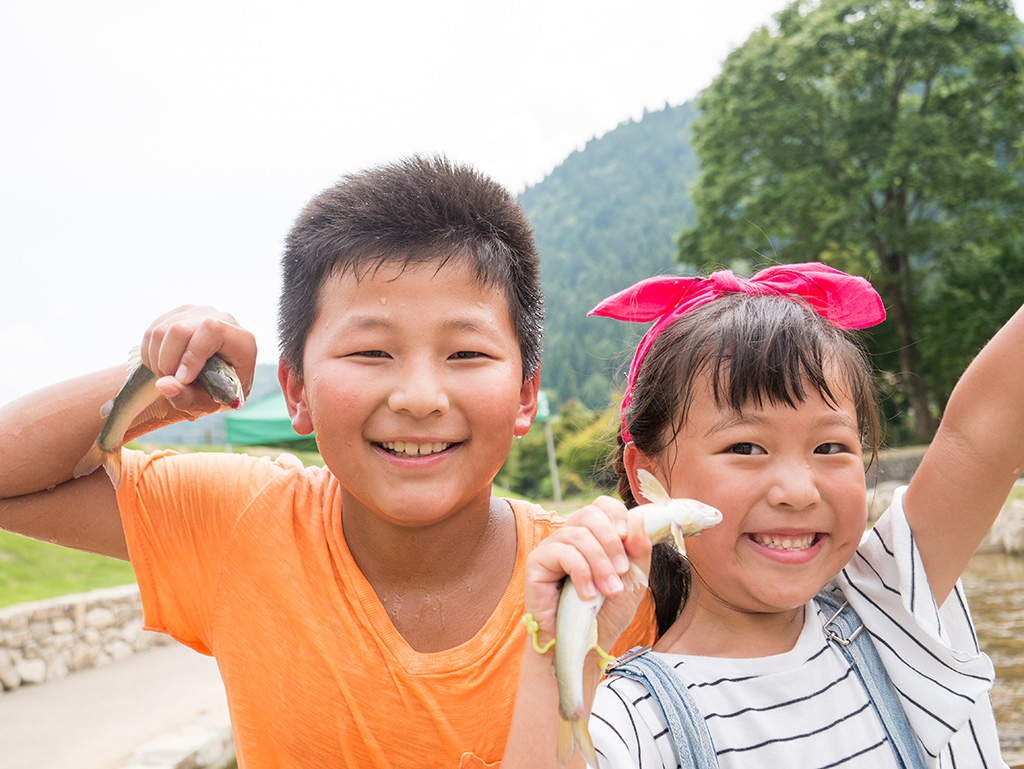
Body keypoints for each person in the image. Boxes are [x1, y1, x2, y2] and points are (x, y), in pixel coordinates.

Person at [0, 155, 652, 768]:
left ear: (525, 393)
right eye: (370, 352)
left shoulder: (606, 588)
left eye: (465, 354)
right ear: (296, 390)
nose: (420, 398)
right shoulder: (241, 520)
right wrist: (160, 383)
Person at [507, 262, 1013, 768]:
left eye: (831, 445)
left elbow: (982, 431)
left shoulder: (891, 601)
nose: (797, 491)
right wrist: (558, 652)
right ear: (648, 476)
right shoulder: (631, 720)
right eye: (746, 446)